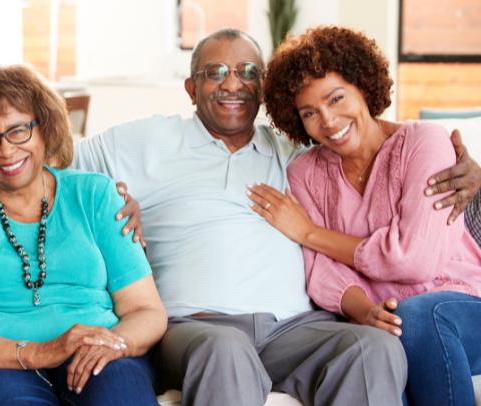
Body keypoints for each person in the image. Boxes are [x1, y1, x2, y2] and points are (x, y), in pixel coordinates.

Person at [73, 27, 481, 406]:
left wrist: (464, 162)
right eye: (215, 72)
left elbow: (356, 153)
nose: (233, 83)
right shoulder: (148, 139)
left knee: (373, 347)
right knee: (225, 349)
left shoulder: (293, 153)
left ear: (263, 89)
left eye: (248, 71)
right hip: (196, 325)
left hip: (295, 327)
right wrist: (109, 197)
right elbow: (53, 156)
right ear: (191, 88)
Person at [248, 26, 481, 406]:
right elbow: (320, 271)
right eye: (310, 112)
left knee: (419, 318)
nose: (328, 120)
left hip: (460, 308)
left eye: (337, 98)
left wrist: (309, 233)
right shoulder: (303, 174)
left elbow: (414, 258)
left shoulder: (425, 143)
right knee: (380, 359)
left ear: (362, 85)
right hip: (389, 324)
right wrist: (366, 312)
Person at [0, 65, 167, 406]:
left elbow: (146, 310)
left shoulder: (96, 195)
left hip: (98, 350)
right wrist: (39, 352)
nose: (5, 151)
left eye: (18, 130)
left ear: (45, 129)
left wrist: (112, 344)